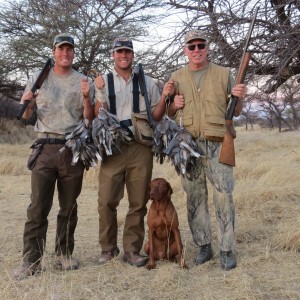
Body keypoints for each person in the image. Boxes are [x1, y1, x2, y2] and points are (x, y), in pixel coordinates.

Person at [13, 33, 94, 280]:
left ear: (73, 53)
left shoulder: (83, 81)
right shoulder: (39, 79)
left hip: (72, 147)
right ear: (54, 52)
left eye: (69, 50)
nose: (65, 53)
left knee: (68, 207)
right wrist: (27, 102)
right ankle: (31, 260)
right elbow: (26, 116)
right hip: (44, 147)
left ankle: (64, 253)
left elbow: (89, 119)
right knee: (37, 207)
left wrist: (88, 97)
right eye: (61, 49)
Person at [165, 30, 246, 271]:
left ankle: (226, 249)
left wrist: (240, 97)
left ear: (207, 48)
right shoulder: (176, 77)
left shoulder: (223, 74)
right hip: (188, 146)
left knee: (223, 196)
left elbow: (237, 110)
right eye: (192, 46)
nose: (197, 50)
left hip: (218, 143)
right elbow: (167, 114)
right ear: (185, 50)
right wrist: (173, 105)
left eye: (201, 45)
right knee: (195, 197)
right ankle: (203, 246)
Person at [93, 37, 170, 267]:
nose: (123, 55)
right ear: (113, 55)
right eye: (119, 52)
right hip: (114, 147)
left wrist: (166, 96)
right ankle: (107, 250)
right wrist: (97, 93)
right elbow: (97, 115)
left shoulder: (147, 82)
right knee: (106, 201)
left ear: (133, 55)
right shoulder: (103, 82)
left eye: (127, 51)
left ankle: (133, 250)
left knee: (138, 202)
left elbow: (157, 116)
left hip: (140, 147)